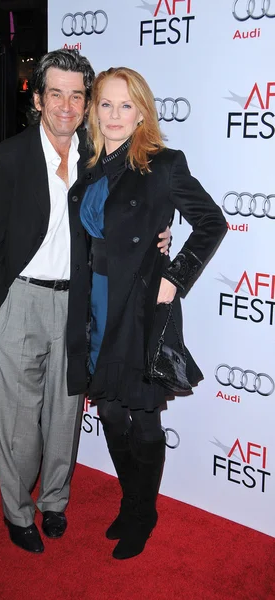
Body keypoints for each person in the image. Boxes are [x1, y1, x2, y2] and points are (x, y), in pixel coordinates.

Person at [0, 50, 171, 554]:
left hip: (78, 304)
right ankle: (17, 512)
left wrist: (157, 236)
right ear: (38, 100)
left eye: (77, 95)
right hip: (20, 300)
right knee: (17, 420)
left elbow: (135, 208)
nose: (66, 105)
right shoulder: (6, 160)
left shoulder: (97, 156)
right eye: (54, 93)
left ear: (86, 104)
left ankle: (54, 503)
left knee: (64, 414)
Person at [70, 67, 227, 560]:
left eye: (125, 105)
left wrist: (173, 275)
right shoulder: (88, 164)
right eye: (105, 105)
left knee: (141, 419)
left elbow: (211, 222)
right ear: (94, 111)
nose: (114, 115)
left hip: (138, 307)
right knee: (112, 415)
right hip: (95, 304)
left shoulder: (163, 165)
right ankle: (130, 499)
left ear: (142, 113)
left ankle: (144, 512)